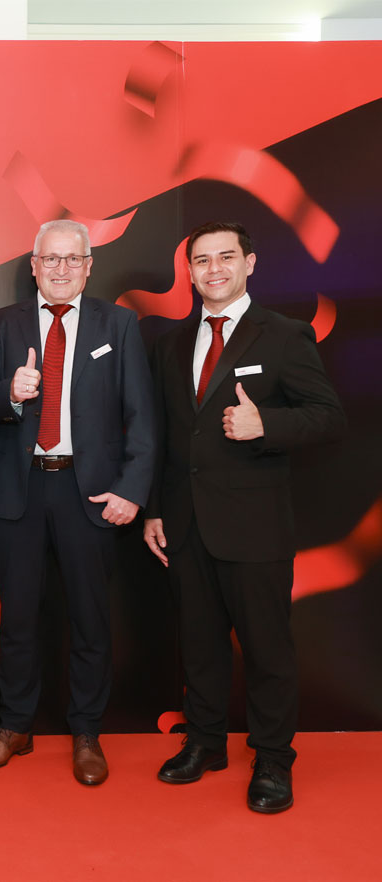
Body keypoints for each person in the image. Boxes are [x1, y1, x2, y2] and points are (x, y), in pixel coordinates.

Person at [144, 221, 344, 813]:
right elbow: (164, 436)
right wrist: (154, 510)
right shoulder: (171, 344)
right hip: (185, 523)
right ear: (189, 271)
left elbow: (329, 418)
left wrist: (267, 425)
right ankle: (205, 744)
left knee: (266, 650)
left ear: (249, 263)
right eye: (201, 260)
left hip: (255, 525)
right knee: (199, 645)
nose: (214, 269)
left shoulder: (284, 335)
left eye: (225, 257)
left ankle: (274, 759)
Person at [0, 219, 155, 785]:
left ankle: (87, 731)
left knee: (90, 619)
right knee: (18, 618)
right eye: (50, 258)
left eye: (73, 259)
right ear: (33, 265)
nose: (61, 269)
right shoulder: (1, 323)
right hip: (20, 489)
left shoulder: (118, 324)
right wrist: (9, 394)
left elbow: (142, 415)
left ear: (89, 266)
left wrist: (132, 489)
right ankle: (14, 725)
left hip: (90, 492)